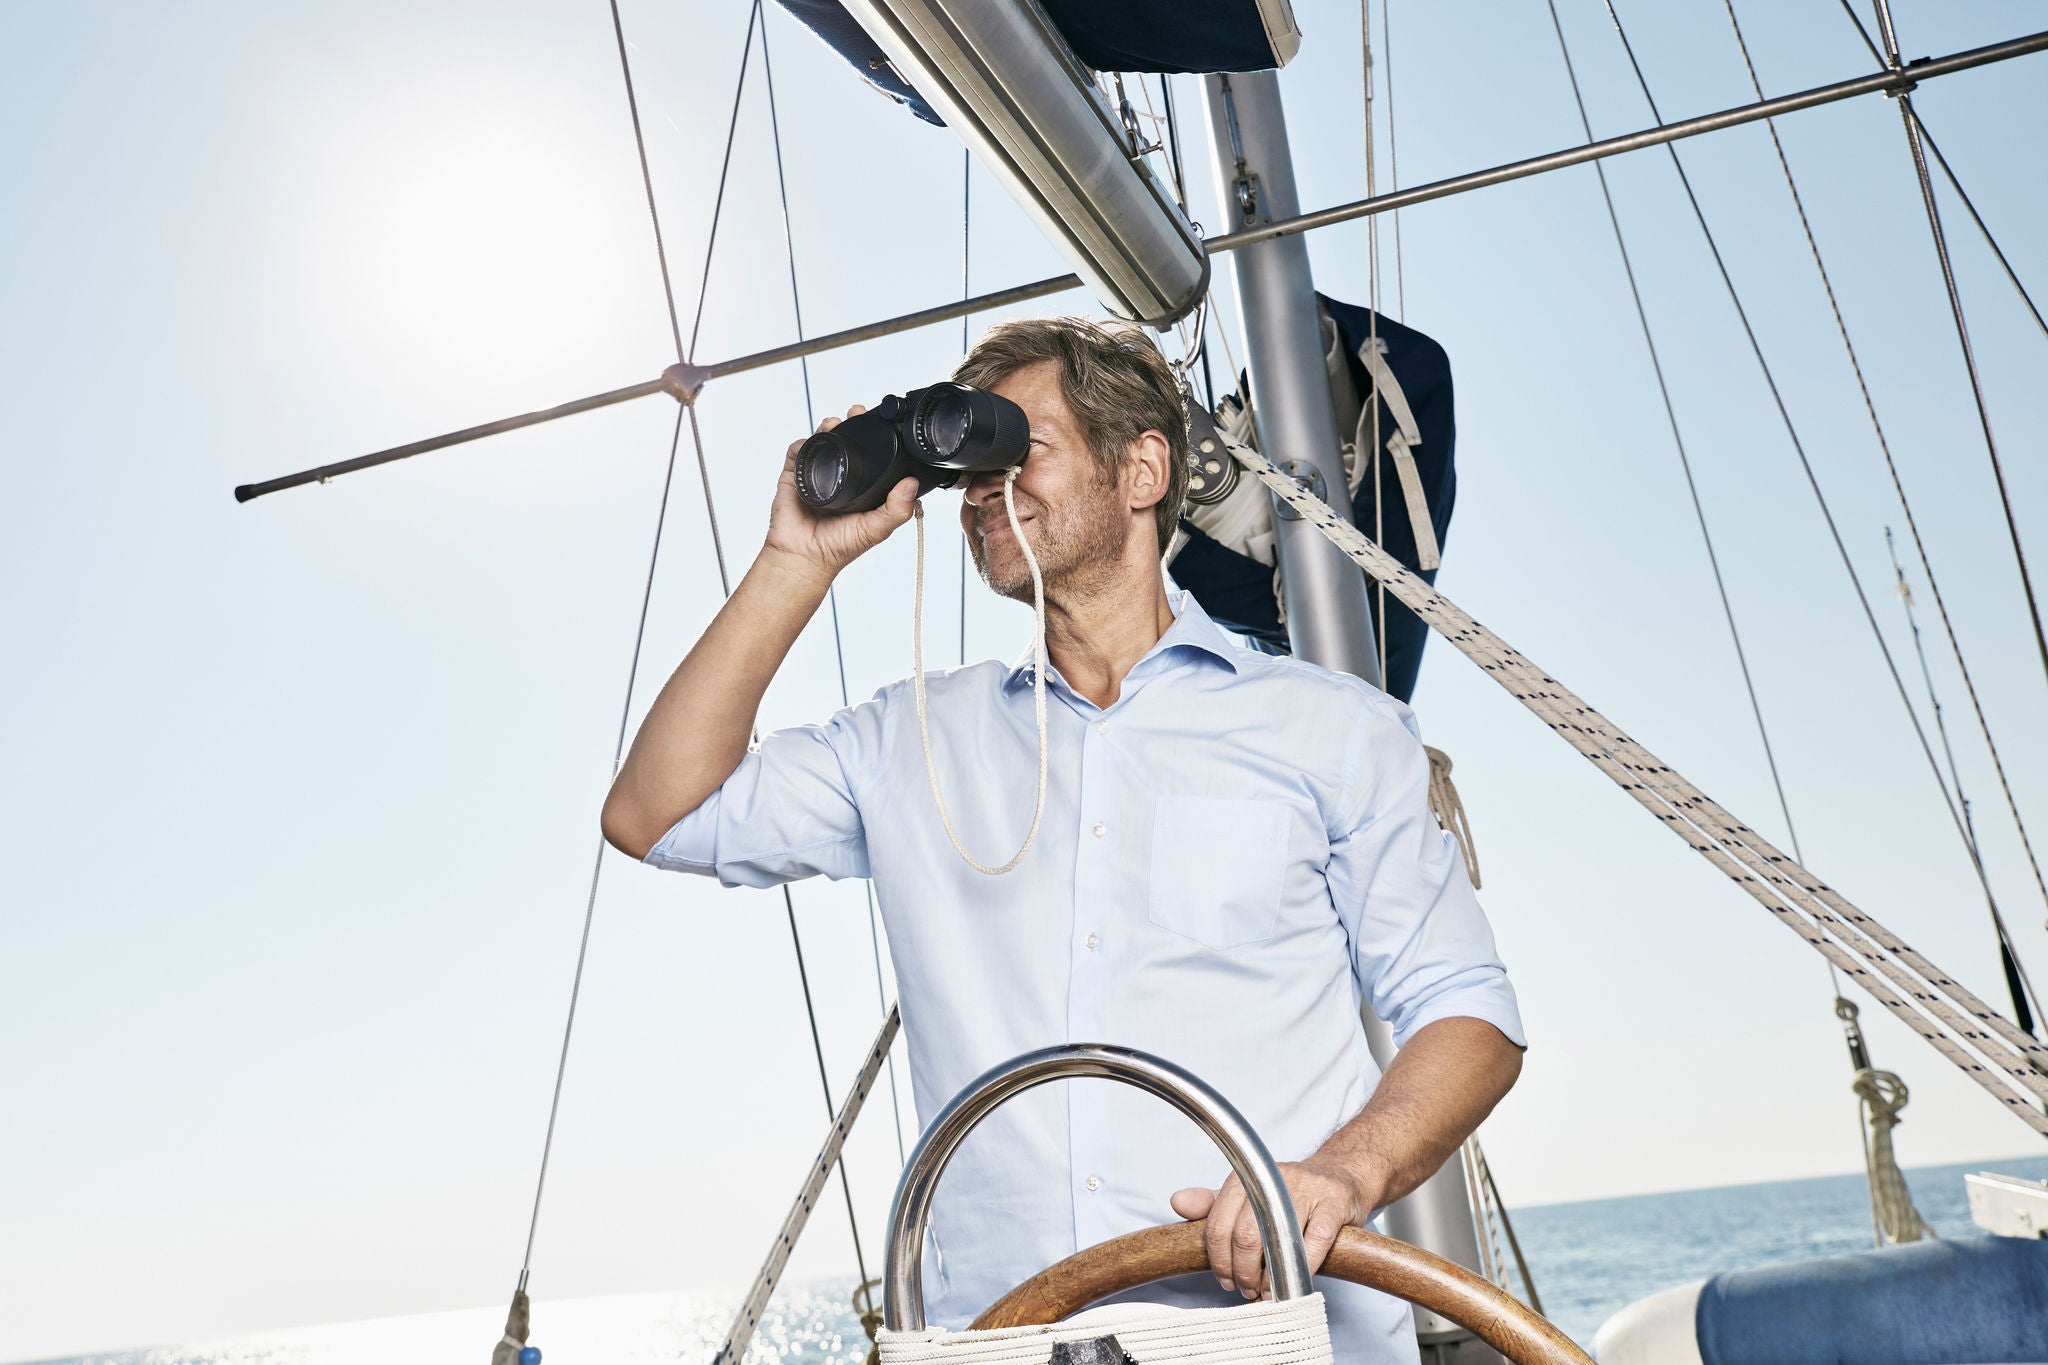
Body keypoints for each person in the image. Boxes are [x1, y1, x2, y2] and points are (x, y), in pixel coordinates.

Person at [601, 317, 1524, 1364]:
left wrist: (1342, 1175)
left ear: (1140, 469)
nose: (983, 486)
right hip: (999, 1341)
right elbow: (655, 814)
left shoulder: (1332, 729)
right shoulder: (910, 740)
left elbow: (1467, 1011)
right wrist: (792, 559)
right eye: (967, 464)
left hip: (1280, 1332)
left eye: (1017, 445)